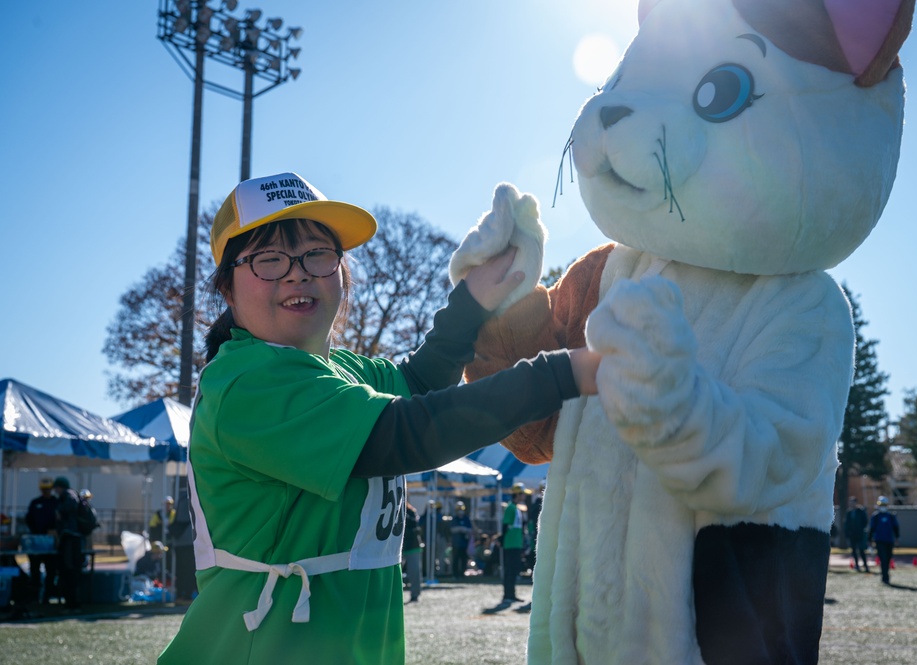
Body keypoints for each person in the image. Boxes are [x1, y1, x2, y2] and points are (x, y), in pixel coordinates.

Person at [156, 171, 599, 665]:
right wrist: (565, 373)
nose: (298, 272)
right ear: (227, 287)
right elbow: (402, 434)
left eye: (318, 255)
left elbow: (421, 381)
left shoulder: (342, 370)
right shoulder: (243, 382)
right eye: (269, 259)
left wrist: (474, 296)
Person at [24, 477, 59, 604]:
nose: (46, 492)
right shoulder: (35, 502)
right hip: (37, 542)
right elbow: (29, 519)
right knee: (35, 570)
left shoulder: (56, 503)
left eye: (48, 489)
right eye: (44, 490)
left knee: (51, 570)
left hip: (50, 542)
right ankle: (34, 596)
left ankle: (47, 596)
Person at [51, 476, 83, 611]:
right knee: (68, 570)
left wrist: (60, 512)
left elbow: (70, 507)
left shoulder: (68, 495)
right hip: (71, 537)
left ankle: (72, 602)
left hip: (70, 537)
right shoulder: (71, 495)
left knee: (68, 569)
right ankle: (70, 601)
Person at [501, 483, 528, 605]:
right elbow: (505, 526)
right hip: (510, 544)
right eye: (522, 493)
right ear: (517, 494)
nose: (524, 496)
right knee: (509, 570)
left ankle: (512, 594)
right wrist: (502, 541)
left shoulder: (516, 508)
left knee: (514, 570)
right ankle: (507, 595)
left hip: (516, 544)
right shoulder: (510, 507)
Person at [869, 495, 900, 585]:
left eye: (884, 505)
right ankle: (884, 576)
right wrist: (870, 540)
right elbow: (871, 529)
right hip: (879, 541)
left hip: (889, 541)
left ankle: (886, 574)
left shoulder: (891, 516)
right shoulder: (875, 516)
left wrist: (897, 538)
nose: (882, 507)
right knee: (883, 559)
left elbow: (896, 528)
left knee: (888, 558)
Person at [402, 503, 423, 603]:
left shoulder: (411, 512)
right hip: (397, 547)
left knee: (414, 572)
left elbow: (414, 525)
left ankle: (415, 594)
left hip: (412, 546)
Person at [844, 496, 870, 573]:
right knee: (854, 551)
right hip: (852, 535)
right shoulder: (848, 512)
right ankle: (857, 565)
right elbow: (846, 524)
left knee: (861, 550)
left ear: (856, 503)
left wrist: (861, 530)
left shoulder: (861, 511)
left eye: (853, 502)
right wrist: (847, 533)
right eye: (850, 502)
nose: (851, 504)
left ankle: (865, 565)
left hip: (860, 534)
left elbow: (865, 521)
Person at [450, 501, 473, 579]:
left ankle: (462, 573)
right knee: (455, 559)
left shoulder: (466, 519)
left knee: (464, 559)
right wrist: (460, 529)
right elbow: (452, 529)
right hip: (456, 543)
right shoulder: (454, 519)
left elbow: (470, 529)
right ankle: (455, 574)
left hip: (464, 542)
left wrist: (465, 530)